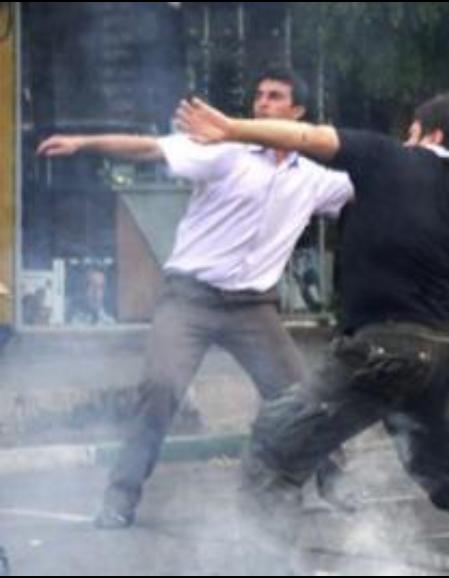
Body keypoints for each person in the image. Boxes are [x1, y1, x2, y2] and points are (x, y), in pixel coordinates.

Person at [176, 46, 449, 575]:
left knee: (274, 448)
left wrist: (234, 129)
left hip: (379, 352)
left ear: (428, 134)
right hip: (437, 360)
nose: (407, 139)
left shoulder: (387, 156)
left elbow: (309, 137)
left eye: (412, 131)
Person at [38, 68, 356, 529]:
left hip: (253, 307)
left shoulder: (313, 179)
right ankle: (120, 498)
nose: (262, 103)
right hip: (189, 299)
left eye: (275, 97)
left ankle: (336, 482)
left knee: (302, 397)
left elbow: (381, 177)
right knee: (160, 389)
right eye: (259, 95)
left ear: (298, 112)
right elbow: (152, 148)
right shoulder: (224, 152)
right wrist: (84, 141)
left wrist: (432, 152)